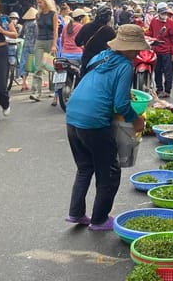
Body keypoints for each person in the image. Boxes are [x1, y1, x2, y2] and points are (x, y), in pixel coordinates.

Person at [64, 24, 148, 230]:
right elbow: (121, 103)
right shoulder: (125, 67)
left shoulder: (100, 56)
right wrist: (135, 119)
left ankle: (76, 214)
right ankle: (99, 219)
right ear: (126, 47)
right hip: (93, 122)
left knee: (84, 167)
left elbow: (97, 83)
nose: (137, 53)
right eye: (135, 49)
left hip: (73, 114)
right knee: (109, 172)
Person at [147, 2, 173, 98]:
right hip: (156, 50)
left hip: (167, 51)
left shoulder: (171, 23)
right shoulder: (153, 21)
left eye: (165, 13)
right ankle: (159, 89)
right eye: (162, 13)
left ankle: (167, 90)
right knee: (157, 71)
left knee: (168, 72)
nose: (164, 15)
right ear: (158, 12)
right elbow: (150, 33)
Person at [31, 0, 59, 102]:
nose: (39, 4)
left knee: (52, 67)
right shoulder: (38, 15)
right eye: (38, 2)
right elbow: (38, 29)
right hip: (40, 41)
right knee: (38, 67)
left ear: (46, 2)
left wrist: (54, 44)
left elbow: (55, 30)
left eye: (41, 2)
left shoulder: (53, 14)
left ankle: (54, 91)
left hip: (50, 40)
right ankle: (36, 93)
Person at [75, 4, 116, 77]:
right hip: (102, 62)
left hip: (87, 60)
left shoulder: (86, 26)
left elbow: (77, 42)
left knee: (83, 81)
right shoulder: (109, 31)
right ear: (108, 17)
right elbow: (115, 47)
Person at [18, 7, 38, 92]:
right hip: (34, 45)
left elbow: (21, 35)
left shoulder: (25, 24)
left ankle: (24, 83)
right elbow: (37, 35)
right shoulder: (36, 24)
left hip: (26, 45)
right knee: (37, 64)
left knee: (24, 63)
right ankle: (35, 84)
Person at [5, 11, 23, 91]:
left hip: (17, 44)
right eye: (12, 18)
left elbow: (19, 35)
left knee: (19, 59)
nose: (13, 20)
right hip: (8, 44)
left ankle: (18, 76)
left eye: (15, 19)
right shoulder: (7, 26)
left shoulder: (19, 27)